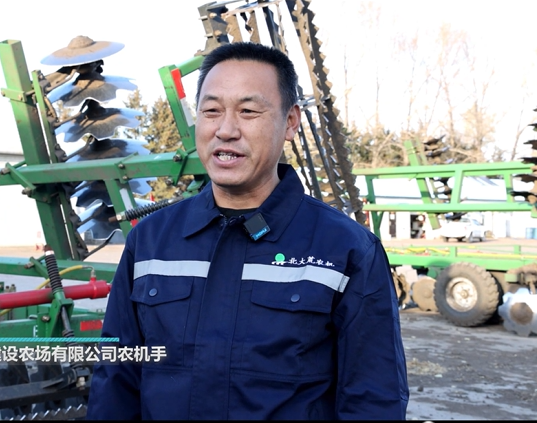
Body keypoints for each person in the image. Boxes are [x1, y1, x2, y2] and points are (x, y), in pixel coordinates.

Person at [86, 42, 409, 420]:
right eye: (211, 111)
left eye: (248, 111)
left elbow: (373, 399)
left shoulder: (346, 250)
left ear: (291, 122)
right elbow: (116, 379)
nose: (226, 130)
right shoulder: (151, 241)